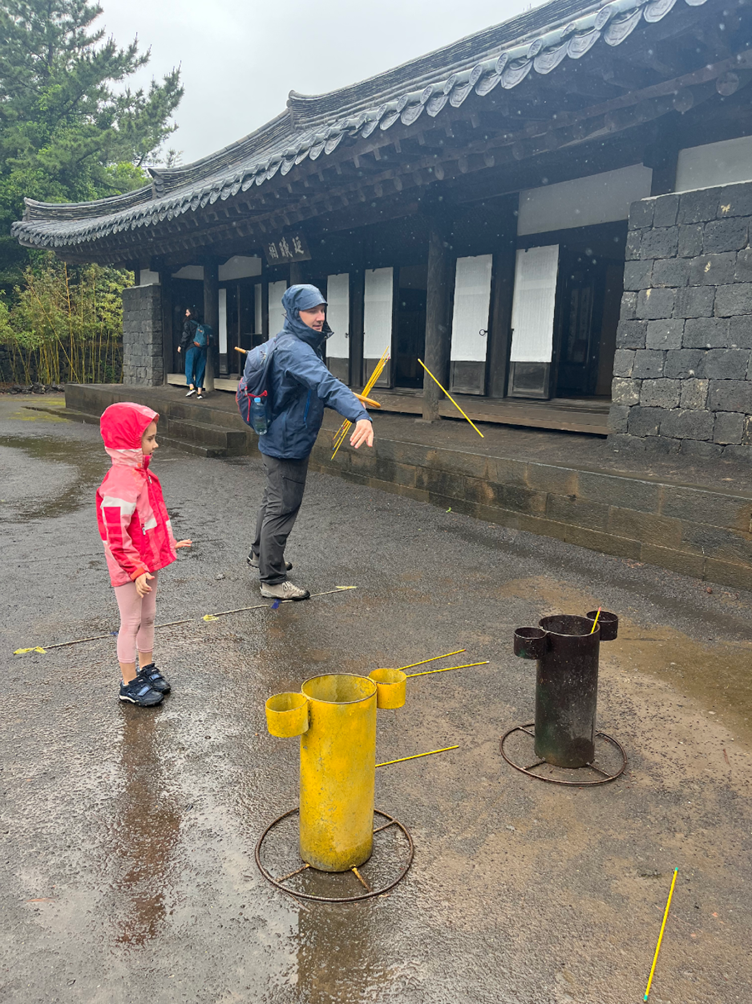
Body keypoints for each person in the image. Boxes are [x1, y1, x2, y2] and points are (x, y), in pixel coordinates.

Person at [249, 284, 374, 601]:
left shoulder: (292, 342)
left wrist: (347, 403)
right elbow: (325, 384)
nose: (319, 317)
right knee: (283, 507)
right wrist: (358, 414)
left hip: (277, 434)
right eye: (311, 310)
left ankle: (260, 556)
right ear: (294, 313)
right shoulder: (295, 349)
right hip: (287, 441)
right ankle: (272, 579)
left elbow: (315, 388)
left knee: (272, 501)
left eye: (322, 309)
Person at [97, 402, 192, 706]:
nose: (156, 444)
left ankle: (146, 666)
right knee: (131, 621)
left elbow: (152, 517)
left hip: (146, 562)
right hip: (129, 568)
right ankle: (128, 682)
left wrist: (168, 542)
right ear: (129, 442)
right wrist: (135, 570)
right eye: (149, 439)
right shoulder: (120, 482)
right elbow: (115, 535)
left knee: (148, 617)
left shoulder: (141, 475)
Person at [177, 306, 207, 399]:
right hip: (202, 349)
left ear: (191, 314)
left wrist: (181, 346)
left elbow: (185, 335)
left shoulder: (188, 323)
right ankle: (199, 393)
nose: (185, 314)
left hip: (191, 348)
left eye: (187, 312)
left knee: (189, 367)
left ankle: (191, 387)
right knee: (200, 369)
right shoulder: (200, 324)